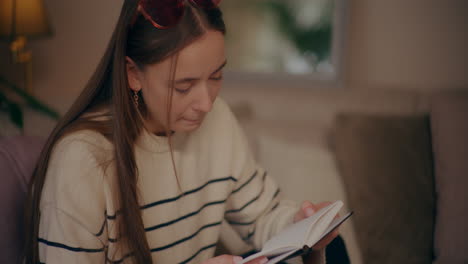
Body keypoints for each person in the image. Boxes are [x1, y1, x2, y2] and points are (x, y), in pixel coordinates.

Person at [23, 0, 339, 263]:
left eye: (216, 76)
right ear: (133, 74)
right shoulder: (82, 160)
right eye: (183, 86)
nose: (205, 102)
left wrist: (301, 223)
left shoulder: (219, 122)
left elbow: (262, 216)